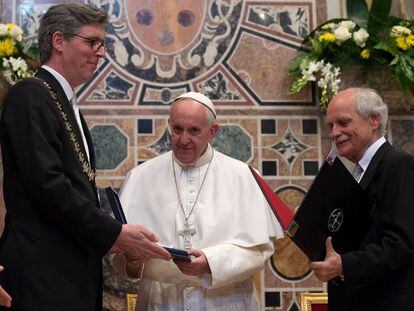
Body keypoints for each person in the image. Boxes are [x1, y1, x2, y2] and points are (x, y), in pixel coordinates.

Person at [0, 3, 170, 311]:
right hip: (41, 275)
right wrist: (114, 233)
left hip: (69, 273)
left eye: (102, 44)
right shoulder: (30, 94)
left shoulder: (63, 101)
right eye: (91, 42)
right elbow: (47, 185)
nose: (100, 53)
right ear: (59, 41)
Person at [111, 91, 283, 310]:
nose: (184, 140)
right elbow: (121, 257)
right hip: (160, 302)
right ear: (169, 126)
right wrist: (133, 260)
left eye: (194, 131)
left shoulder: (243, 176)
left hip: (226, 301)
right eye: (177, 129)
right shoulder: (140, 177)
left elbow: (261, 252)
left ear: (212, 132)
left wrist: (211, 263)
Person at [310, 87, 414, 310]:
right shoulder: (355, 173)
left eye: (343, 122)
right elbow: (354, 234)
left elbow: (401, 244)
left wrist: (343, 265)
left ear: (374, 120)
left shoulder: (399, 166)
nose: (334, 133)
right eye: (331, 126)